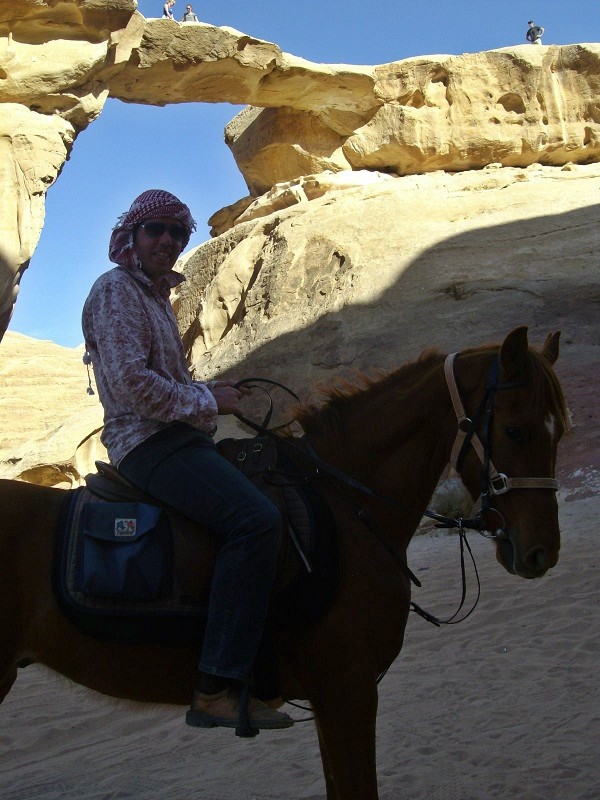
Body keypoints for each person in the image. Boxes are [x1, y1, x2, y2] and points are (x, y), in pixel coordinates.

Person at [82, 189, 293, 732]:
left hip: (176, 437)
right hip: (146, 442)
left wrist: (206, 389)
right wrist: (207, 401)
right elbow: (132, 386)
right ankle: (216, 686)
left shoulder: (153, 299)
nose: (169, 242)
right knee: (255, 521)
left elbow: (165, 381)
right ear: (132, 236)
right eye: (157, 230)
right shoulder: (116, 291)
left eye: (179, 233)